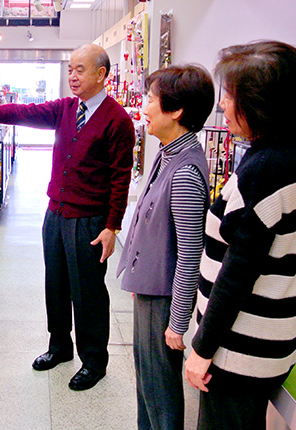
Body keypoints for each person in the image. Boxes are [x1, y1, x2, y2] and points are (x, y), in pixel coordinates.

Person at [0, 44, 135, 391]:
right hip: (56, 213)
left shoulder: (118, 120)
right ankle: (60, 346)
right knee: (57, 284)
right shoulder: (66, 109)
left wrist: (112, 226)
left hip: (90, 221)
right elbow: (26, 112)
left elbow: (120, 178)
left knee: (88, 292)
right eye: (70, 70)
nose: (73, 77)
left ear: (101, 74)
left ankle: (94, 360)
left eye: (81, 70)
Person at [184, 40, 296, 430]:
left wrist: (202, 351)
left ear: (260, 103)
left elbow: (236, 274)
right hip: (278, 341)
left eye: (230, 95)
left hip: (238, 351)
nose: (222, 104)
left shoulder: (261, 172)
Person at [117, 65, 214, 429]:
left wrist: (177, 322)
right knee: (147, 383)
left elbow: (191, 255)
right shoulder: (167, 152)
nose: (144, 106)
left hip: (164, 300)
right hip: (150, 289)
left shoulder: (186, 171)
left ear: (176, 111)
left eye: (151, 99)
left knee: (159, 390)